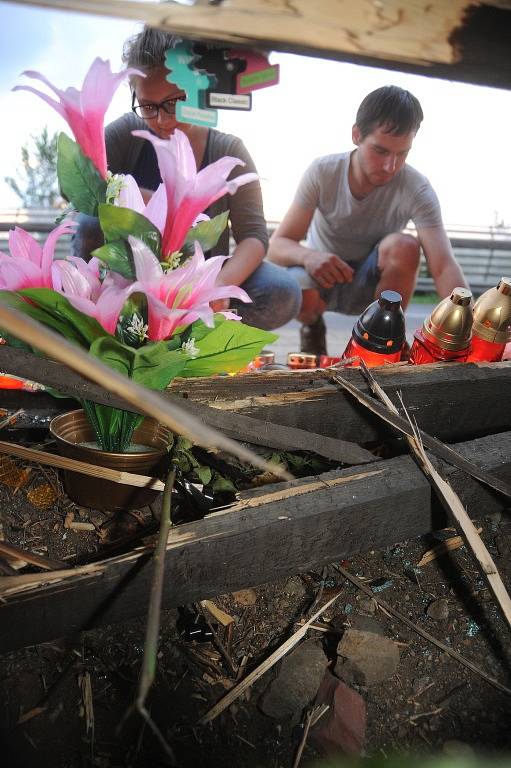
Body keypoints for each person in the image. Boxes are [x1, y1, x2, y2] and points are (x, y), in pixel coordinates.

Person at [74, 26, 301, 331]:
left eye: (176, 100)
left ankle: (194, 338)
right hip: (125, 282)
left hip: (196, 291)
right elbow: (77, 186)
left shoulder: (229, 150)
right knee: (89, 221)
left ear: (201, 88)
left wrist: (218, 285)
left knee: (282, 291)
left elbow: (254, 238)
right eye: (148, 106)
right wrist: (148, 201)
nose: (163, 120)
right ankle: (98, 325)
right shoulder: (126, 135)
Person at [267, 85, 469, 355]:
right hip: (320, 279)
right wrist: (309, 257)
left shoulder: (417, 188)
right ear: (356, 135)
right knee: (298, 287)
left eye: (403, 153)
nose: (391, 166)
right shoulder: (322, 172)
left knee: (405, 245)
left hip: (374, 285)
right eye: (381, 151)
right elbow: (277, 244)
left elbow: (443, 265)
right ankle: (313, 327)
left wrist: (472, 327)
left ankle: (386, 338)